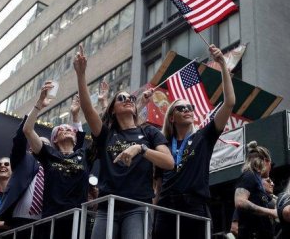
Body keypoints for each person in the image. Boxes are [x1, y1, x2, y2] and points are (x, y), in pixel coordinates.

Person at [74, 44, 174, 239]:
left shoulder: (149, 133)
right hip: (107, 207)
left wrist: (141, 149)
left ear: (136, 108)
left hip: (137, 207)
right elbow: (88, 110)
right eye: (121, 98)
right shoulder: (106, 134)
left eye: (130, 98)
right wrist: (81, 75)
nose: (127, 99)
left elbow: (169, 162)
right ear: (113, 109)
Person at [152, 44, 235, 239]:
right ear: (171, 117)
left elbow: (229, 102)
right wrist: (154, 214)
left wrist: (222, 64)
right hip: (166, 208)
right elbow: (157, 187)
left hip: (195, 206)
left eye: (190, 107)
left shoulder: (204, 136)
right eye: (181, 109)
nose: (188, 110)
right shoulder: (161, 144)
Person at [23, 81, 93, 239]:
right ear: (54, 140)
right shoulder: (48, 154)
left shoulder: (84, 155)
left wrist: (76, 114)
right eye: (61, 129)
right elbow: (27, 130)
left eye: (70, 129)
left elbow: (102, 134)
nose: (67, 129)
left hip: (78, 218)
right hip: (52, 220)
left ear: (76, 138)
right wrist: (39, 105)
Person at [234, 141, 277, 239]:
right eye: (270, 164)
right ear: (266, 161)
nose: (270, 168)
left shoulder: (257, 180)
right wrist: (271, 212)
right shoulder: (249, 175)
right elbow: (240, 202)